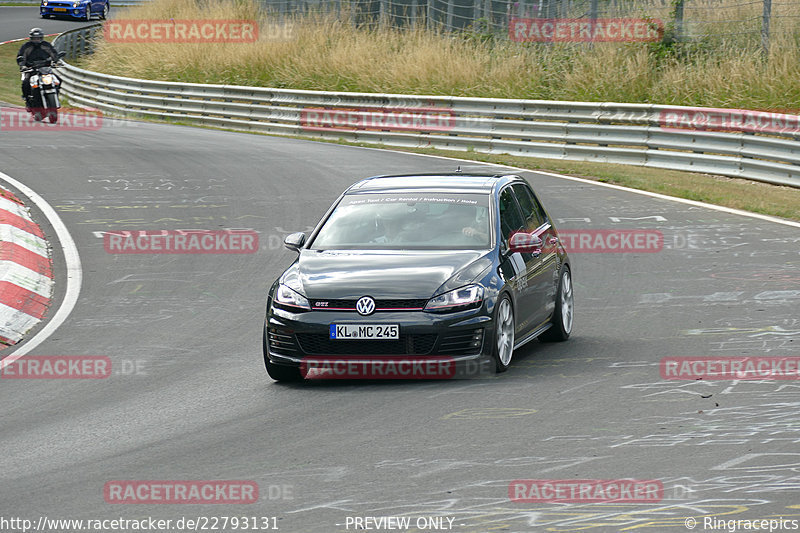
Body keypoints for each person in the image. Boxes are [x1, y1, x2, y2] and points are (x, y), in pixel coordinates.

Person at [17, 28, 60, 111]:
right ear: (31, 38)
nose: (36, 40)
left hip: (45, 69)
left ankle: (55, 97)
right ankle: (28, 101)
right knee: (26, 83)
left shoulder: (46, 45)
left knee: (59, 80)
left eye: (38, 38)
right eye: (34, 39)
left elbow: (53, 53)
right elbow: (21, 57)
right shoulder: (26, 46)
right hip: (31, 69)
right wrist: (23, 66)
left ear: (41, 38)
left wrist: (56, 61)